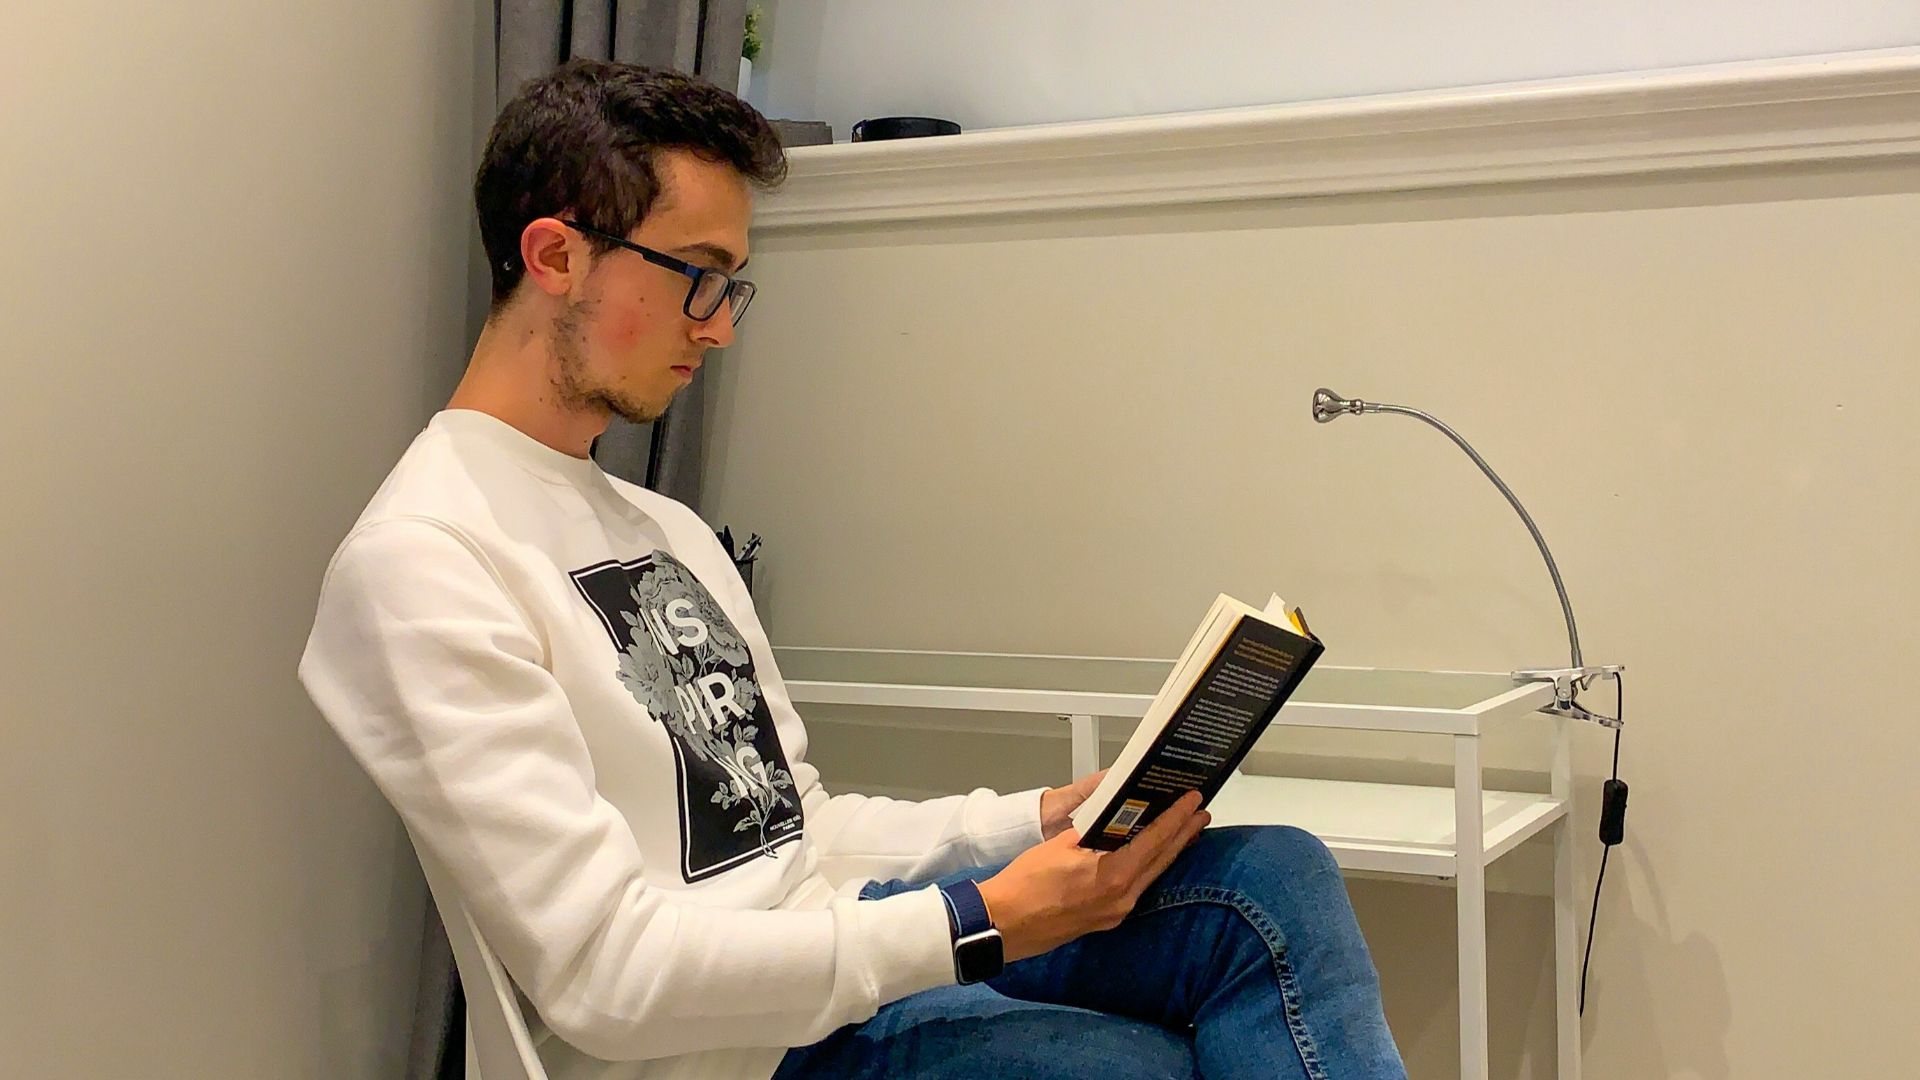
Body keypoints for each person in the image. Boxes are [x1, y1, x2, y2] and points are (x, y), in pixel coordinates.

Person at [299, 59, 1407, 1080]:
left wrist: (1030, 826)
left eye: (731, 286)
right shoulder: (425, 562)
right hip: (733, 1054)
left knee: (1275, 879)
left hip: (834, 952)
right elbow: (604, 976)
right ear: (554, 256)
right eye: (698, 277)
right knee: (1146, 1069)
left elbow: (799, 831)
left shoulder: (665, 530)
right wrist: (981, 921)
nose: (718, 330)